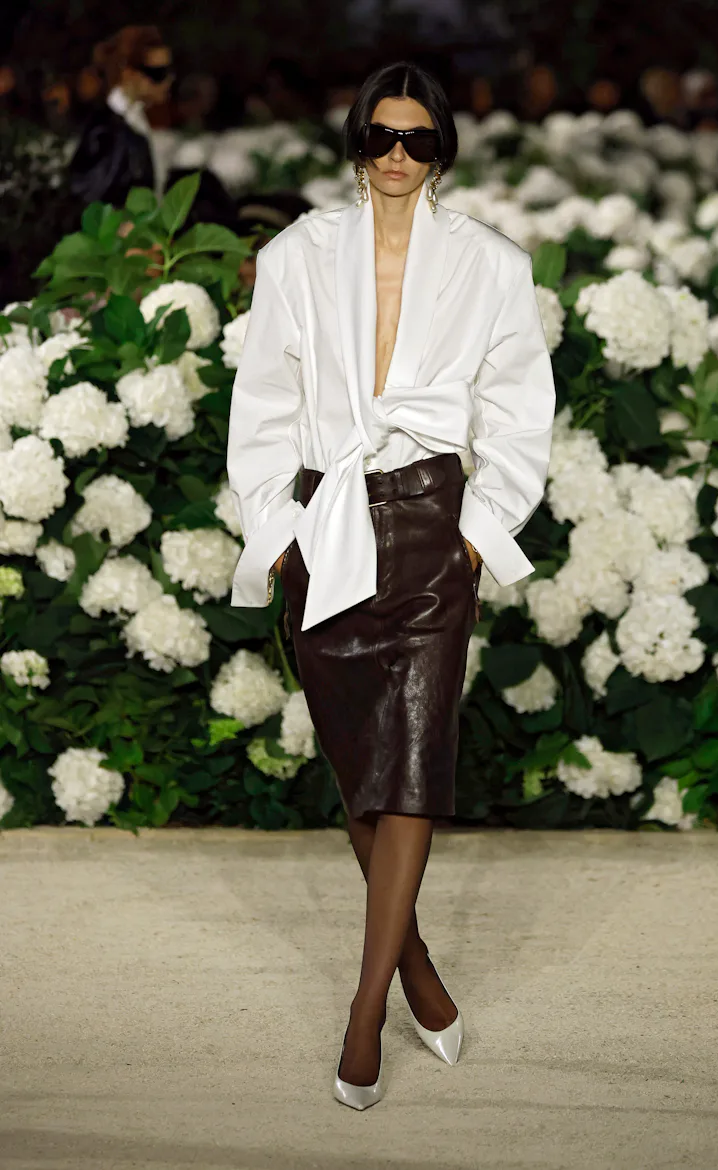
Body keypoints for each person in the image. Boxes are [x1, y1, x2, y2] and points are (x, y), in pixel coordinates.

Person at [226, 60, 556, 1110]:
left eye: (417, 139)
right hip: (324, 521)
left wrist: (477, 535)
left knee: (410, 759)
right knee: (357, 766)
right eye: (380, 138)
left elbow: (519, 411)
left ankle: (365, 1014)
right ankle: (415, 970)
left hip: (429, 521)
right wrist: (275, 528)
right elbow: (265, 399)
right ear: (355, 145)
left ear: (443, 147)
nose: (398, 157)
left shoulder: (492, 264)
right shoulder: (295, 256)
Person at [67, 25, 173, 207]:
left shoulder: (134, 120)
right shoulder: (106, 131)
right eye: (158, 74)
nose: (168, 80)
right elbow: (88, 200)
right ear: (128, 73)